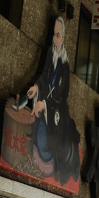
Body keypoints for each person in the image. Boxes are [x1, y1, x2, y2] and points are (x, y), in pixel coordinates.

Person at [27, 15, 81, 187]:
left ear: (63, 37)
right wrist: (36, 87)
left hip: (56, 111)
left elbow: (62, 96)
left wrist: (46, 105)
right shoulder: (50, 52)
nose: (55, 39)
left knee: (44, 143)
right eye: (54, 34)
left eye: (58, 35)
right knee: (33, 133)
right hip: (44, 104)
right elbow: (44, 77)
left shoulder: (65, 65)